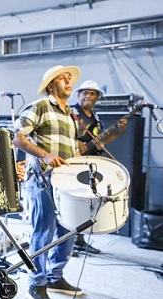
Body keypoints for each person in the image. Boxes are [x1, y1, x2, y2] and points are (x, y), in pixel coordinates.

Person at [13, 65, 83, 299]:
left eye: (69, 78)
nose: (68, 81)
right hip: (42, 179)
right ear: (51, 85)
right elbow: (18, 136)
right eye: (62, 78)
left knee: (69, 229)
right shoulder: (40, 106)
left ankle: (54, 276)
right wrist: (43, 154)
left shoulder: (71, 115)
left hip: (67, 182)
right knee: (43, 232)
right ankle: (36, 282)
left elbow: (71, 148)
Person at [71, 79, 128, 254]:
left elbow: (99, 141)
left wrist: (118, 131)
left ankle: (79, 240)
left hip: (90, 163)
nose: (88, 96)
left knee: (86, 201)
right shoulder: (70, 112)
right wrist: (75, 142)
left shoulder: (95, 117)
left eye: (92, 93)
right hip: (73, 162)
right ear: (79, 95)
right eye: (85, 93)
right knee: (72, 201)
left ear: (97, 98)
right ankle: (65, 242)